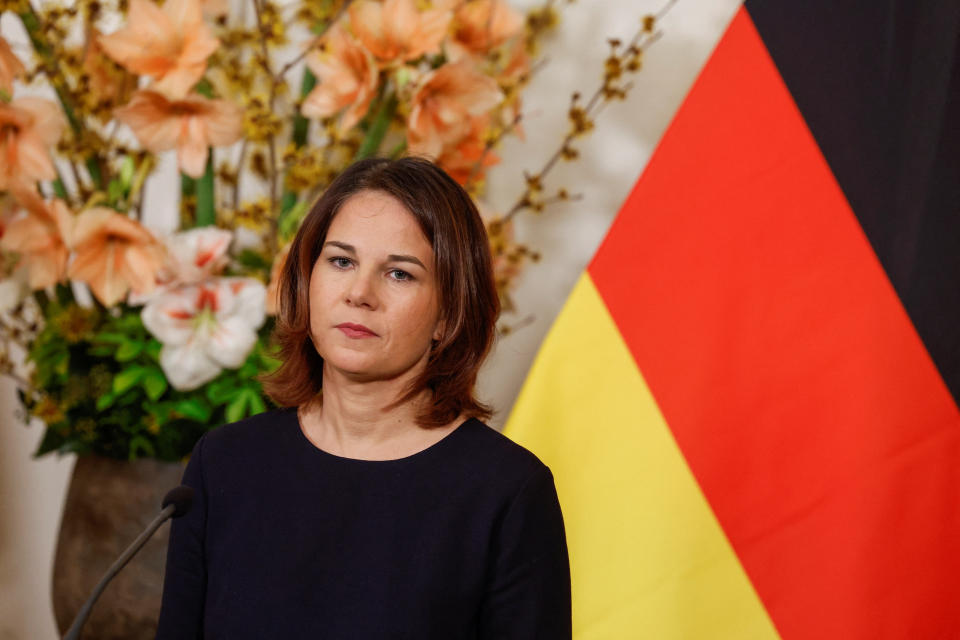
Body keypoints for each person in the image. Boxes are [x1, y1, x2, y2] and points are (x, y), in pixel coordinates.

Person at [155, 157, 572, 639]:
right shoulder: (223, 465)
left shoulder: (507, 492)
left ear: (448, 314)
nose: (359, 293)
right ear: (306, 280)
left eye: (399, 274)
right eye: (341, 261)